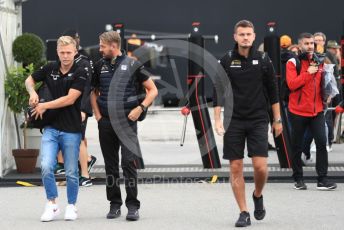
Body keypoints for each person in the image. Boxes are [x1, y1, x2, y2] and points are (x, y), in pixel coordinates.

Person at [214, 20, 282, 227]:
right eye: (241, 34)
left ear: (254, 37)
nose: (245, 37)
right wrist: (217, 119)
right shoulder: (226, 60)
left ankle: (257, 194)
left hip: (258, 119)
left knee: (260, 168)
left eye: (249, 34)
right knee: (236, 167)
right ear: (235, 36)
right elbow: (218, 92)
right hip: (233, 120)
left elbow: (273, 91)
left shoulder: (263, 59)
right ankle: (243, 212)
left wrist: (277, 120)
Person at [90, 31, 158, 221]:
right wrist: (97, 115)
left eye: (102, 46)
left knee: (128, 162)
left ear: (113, 45)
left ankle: (133, 206)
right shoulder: (99, 65)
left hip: (127, 122)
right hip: (106, 123)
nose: (100, 49)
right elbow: (93, 92)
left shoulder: (132, 64)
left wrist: (140, 108)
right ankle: (114, 204)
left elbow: (153, 90)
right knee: (110, 165)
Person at [25, 36, 87, 221]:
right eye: (62, 52)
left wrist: (44, 106)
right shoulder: (50, 67)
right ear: (57, 52)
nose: (66, 56)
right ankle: (52, 204)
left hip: (71, 129)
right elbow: (29, 80)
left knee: (70, 171)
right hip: (51, 128)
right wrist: (33, 91)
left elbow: (70, 99)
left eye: (69, 52)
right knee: (45, 166)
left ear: (75, 52)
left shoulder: (80, 71)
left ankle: (71, 205)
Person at [286, 32, 337, 190]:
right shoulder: (293, 62)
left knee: (322, 143)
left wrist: (327, 93)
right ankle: (298, 179)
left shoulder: (320, 60)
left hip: (317, 110)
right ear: (300, 45)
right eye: (307, 43)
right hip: (298, 111)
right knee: (297, 146)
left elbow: (324, 81)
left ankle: (322, 179)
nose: (310, 46)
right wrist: (308, 73)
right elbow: (292, 85)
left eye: (312, 44)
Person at [54, 29, 97, 187]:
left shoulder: (84, 61)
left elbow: (88, 87)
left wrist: (84, 109)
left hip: (78, 107)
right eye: (62, 50)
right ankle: (81, 164)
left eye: (74, 39)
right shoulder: (63, 61)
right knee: (69, 138)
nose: (65, 53)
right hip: (64, 106)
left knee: (78, 139)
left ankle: (84, 174)